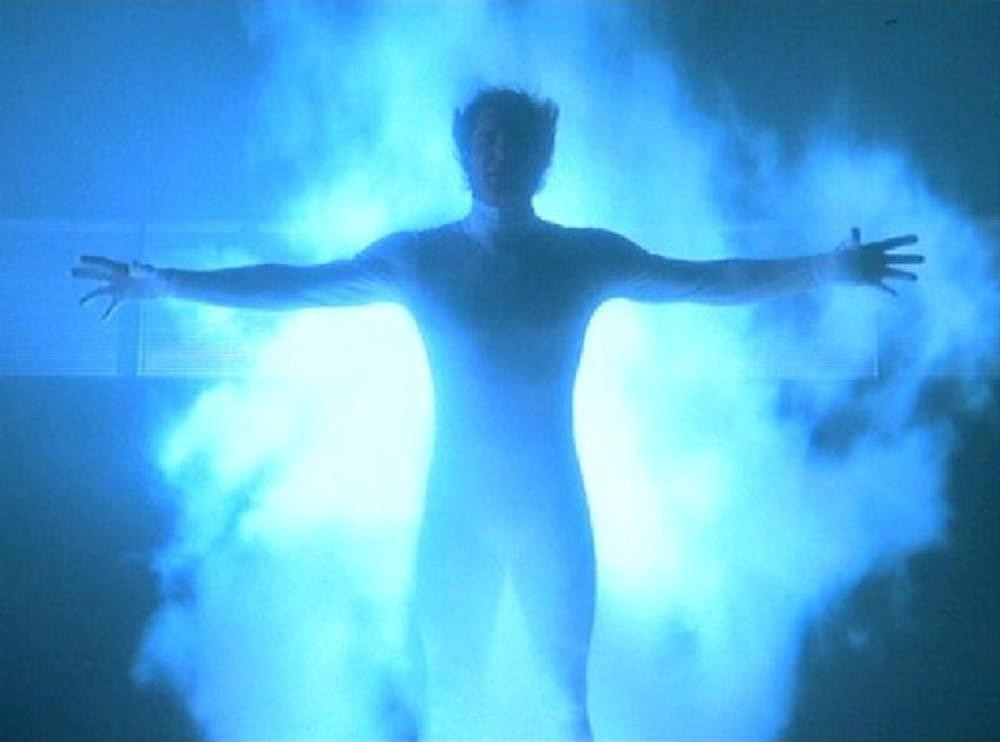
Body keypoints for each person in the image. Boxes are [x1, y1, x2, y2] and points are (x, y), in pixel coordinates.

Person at [73, 87, 923, 740]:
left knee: (565, 702)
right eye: (483, 138)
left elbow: (707, 280)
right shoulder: (420, 259)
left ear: (541, 157)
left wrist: (826, 269)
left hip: (550, 508)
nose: (497, 152)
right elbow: (295, 285)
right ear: (463, 152)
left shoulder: (582, 257)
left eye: (512, 139)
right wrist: (164, 283)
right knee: (453, 701)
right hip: (459, 512)